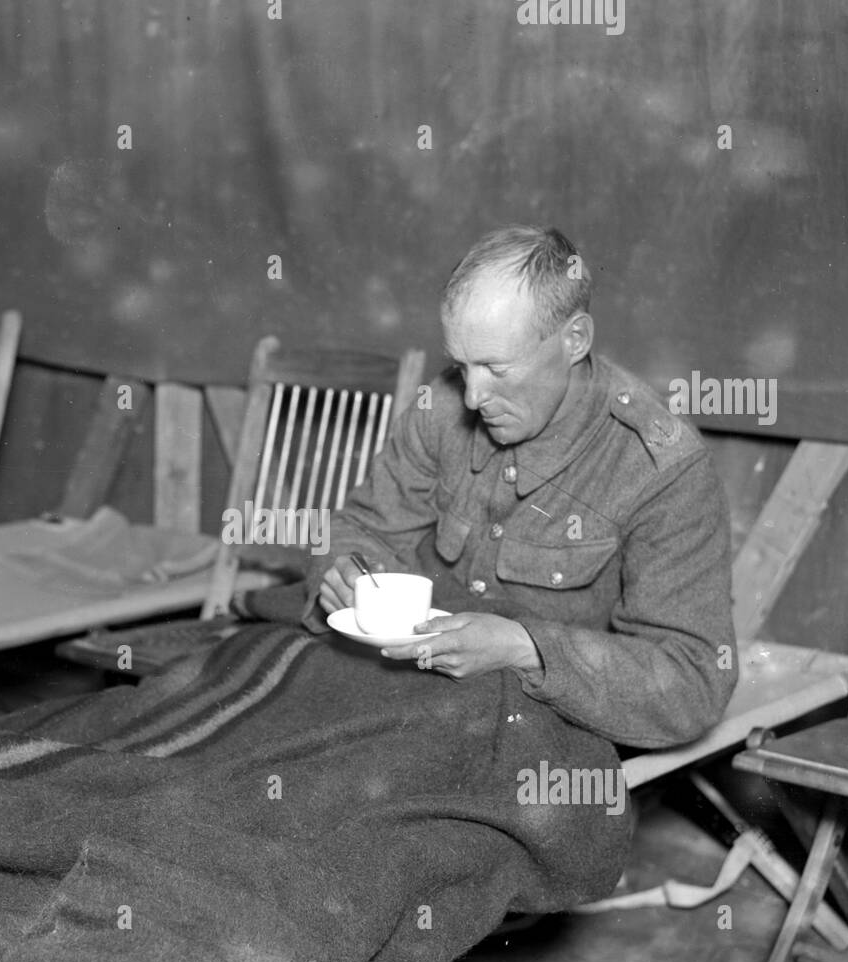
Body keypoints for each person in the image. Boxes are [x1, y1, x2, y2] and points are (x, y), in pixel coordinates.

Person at [307, 224, 737, 749]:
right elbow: (364, 526)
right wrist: (349, 573)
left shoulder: (661, 467)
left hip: (544, 730)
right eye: (462, 366)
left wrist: (524, 648)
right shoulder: (440, 407)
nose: (470, 397)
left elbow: (691, 680)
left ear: (574, 340)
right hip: (407, 695)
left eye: (495, 368)